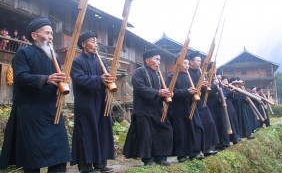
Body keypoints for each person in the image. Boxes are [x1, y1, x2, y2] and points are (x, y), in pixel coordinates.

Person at [0, 18, 71, 172]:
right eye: (47, 33)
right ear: (34, 35)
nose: (51, 36)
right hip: (31, 112)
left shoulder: (55, 57)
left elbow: (56, 81)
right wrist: (47, 78)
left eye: (52, 33)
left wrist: (62, 83)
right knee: (32, 159)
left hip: (52, 111)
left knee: (60, 155)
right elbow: (20, 77)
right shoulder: (23, 53)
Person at [70, 30, 114, 173]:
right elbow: (79, 79)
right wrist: (99, 79)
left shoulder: (101, 62)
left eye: (96, 41)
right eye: (92, 41)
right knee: (86, 133)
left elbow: (107, 78)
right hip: (85, 103)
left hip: (101, 101)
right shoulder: (77, 62)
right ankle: (86, 166)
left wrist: (108, 81)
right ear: (83, 44)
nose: (96, 44)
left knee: (101, 131)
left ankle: (100, 164)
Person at [123, 49, 173, 166]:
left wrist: (167, 94)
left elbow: (161, 92)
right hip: (142, 109)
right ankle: (148, 159)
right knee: (146, 134)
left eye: (159, 59)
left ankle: (160, 157)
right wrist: (158, 93)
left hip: (157, 109)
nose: (159, 62)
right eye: (156, 59)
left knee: (166, 130)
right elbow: (140, 88)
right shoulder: (138, 72)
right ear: (147, 60)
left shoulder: (158, 74)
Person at [166, 56, 204, 162]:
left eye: (188, 63)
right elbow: (171, 92)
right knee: (181, 131)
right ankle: (182, 155)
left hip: (191, 106)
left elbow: (194, 88)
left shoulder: (189, 76)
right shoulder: (171, 77)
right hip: (179, 108)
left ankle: (195, 152)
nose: (187, 66)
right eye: (184, 63)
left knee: (196, 127)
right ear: (178, 64)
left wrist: (196, 92)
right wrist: (187, 92)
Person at [188, 51, 219, 156]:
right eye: (197, 61)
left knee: (210, 123)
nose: (199, 63)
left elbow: (207, 90)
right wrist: (200, 84)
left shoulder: (201, 72)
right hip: (192, 102)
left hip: (202, 102)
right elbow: (189, 86)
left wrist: (209, 86)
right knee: (198, 127)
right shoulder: (187, 72)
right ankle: (198, 150)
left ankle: (208, 148)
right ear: (191, 62)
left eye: (200, 61)